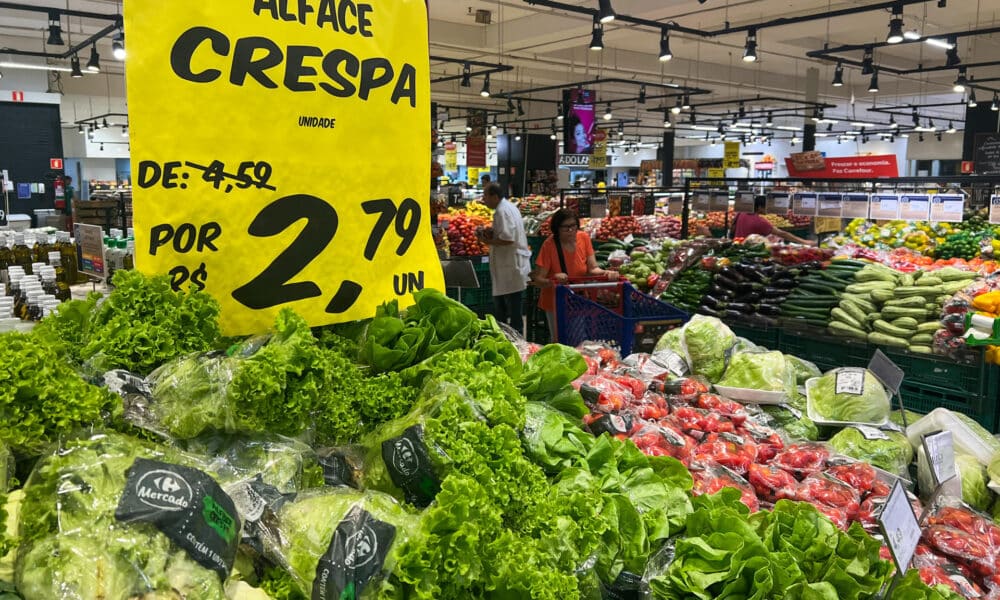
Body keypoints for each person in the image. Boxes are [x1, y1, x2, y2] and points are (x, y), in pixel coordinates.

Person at [532, 208, 617, 342]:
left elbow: (593, 268)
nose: (571, 230)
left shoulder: (583, 238)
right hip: (554, 301)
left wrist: (607, 273)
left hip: (577, 299)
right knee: (559, 340)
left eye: (573, 226)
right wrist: (553, 279)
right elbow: (538, 278)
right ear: (557, 229)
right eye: (566, 227)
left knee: (578, 338)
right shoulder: (549, 245)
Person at [477, 183, 531, 335]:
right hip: (510, 265)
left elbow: (508, 239)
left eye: (485, 196)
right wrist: (492, 232)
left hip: (510, 266)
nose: (484, 200)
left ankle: (512, 337)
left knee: (511, 305)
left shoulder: (502, 211)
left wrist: (488, 242)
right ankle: (511, 335)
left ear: (494, 196)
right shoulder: (509, 207)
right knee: (512, 302)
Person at [732, 195, 816, 246]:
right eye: (767, 208)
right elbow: (783, 234)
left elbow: (733, 226)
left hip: (737, 245)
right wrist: (804, 242)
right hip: (751, 250)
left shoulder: (741, 213)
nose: (769, 210)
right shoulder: (760, 221)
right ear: (760, 207)